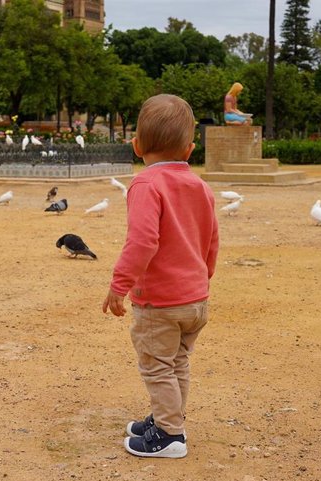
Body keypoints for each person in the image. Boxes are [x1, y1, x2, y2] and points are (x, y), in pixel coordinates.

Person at [102, 94, 219, 459]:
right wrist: (202, 279)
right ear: (189, 148)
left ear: (136, 146)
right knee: (177, 362)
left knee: (156, 367)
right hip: (195, 298)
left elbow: (142, 241)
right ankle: (169, 419)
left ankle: (170, 435)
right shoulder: (200, 186)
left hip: (161, 302)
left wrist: (118, 285)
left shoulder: (146, 185)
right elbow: (212, 239)